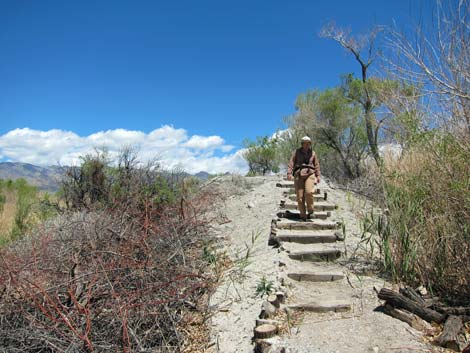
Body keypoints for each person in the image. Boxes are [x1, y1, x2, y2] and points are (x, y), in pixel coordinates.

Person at [287, 136, 321, 221]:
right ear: (302, 144)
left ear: (310, 144)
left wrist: (318, 175)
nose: (306, 144)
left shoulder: (313, 153)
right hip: (299, 174)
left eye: (308, 143)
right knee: (300, 197)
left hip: (310, 173)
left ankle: (311, 211)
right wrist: (289, 173)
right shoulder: (296, 152)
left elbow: (316, 165)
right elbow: (291, 163)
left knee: (309, 192)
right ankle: (303, 215)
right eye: (305, 143)